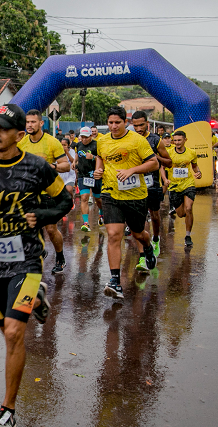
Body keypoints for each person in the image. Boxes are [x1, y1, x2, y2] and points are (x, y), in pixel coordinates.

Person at [0, 104, 73, 427]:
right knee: (3, 327)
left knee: (12, 333)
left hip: (27, 260)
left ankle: (7, 409)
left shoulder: (37, 167)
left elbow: (65, 201)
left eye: (2, 128)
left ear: (20, 135)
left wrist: (45, 216)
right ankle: (37, 298)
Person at [93, 106, 159, 299]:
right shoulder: (102, 141)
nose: (113, 126)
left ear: (125, 123)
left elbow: (154, 163)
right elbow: (100, 157)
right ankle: (115, 281)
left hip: (135, 195)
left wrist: (132, 170)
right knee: (113, 235)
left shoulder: (137, 140)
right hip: (110, 193)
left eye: (117, 123)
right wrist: (99, 170)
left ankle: (147, 247)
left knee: (139, 233)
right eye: (110, 123)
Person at [18, 109, 70, 274]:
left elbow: (65, 165)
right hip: (29, 194)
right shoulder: (22, 143)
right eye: (27, 122)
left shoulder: (52, 142)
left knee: (51, 229)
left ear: (41, 123)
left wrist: (51, 166)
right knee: (28, 228)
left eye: (33, 122)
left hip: (48, 193)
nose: (30, 125)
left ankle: (60, 257)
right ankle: (39, 251)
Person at [131, 111, 172, 270]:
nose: (138, 128)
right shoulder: (130, 138)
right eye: (135, 125)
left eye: (141, 125)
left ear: (147, 123)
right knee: (140, 220)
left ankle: (155, 239)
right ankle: (143, 258)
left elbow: (168, 162)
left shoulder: (156, 140)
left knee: (154, 215)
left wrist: (156, 157)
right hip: (135, 184)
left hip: (153, 184)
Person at [165, 131, 202, 247]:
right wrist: (165, 180)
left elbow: (195, 167)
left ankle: (188, 235)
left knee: (189, 208)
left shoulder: (191, 153)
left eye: (179, 140)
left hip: (188, 184)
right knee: (181, 214)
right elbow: (162, 167)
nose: (176, 143)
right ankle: (188, 216)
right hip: (174, 186)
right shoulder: (169, 153)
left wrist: (199, 172)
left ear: (185, 140)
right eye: (174, 140)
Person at [74, 127, 103, 232]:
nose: (84, 139)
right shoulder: (79, 144)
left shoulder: (97, 145)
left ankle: (101, 212)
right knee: (84, 197)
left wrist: (94, 158)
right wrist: (74, 162)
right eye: (82, 137)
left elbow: (102, 159)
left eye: (86, 137)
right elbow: (77, 154)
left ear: (91, 136)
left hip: (95, 175)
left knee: (98, 198)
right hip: (83, 175)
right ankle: (86, 223)